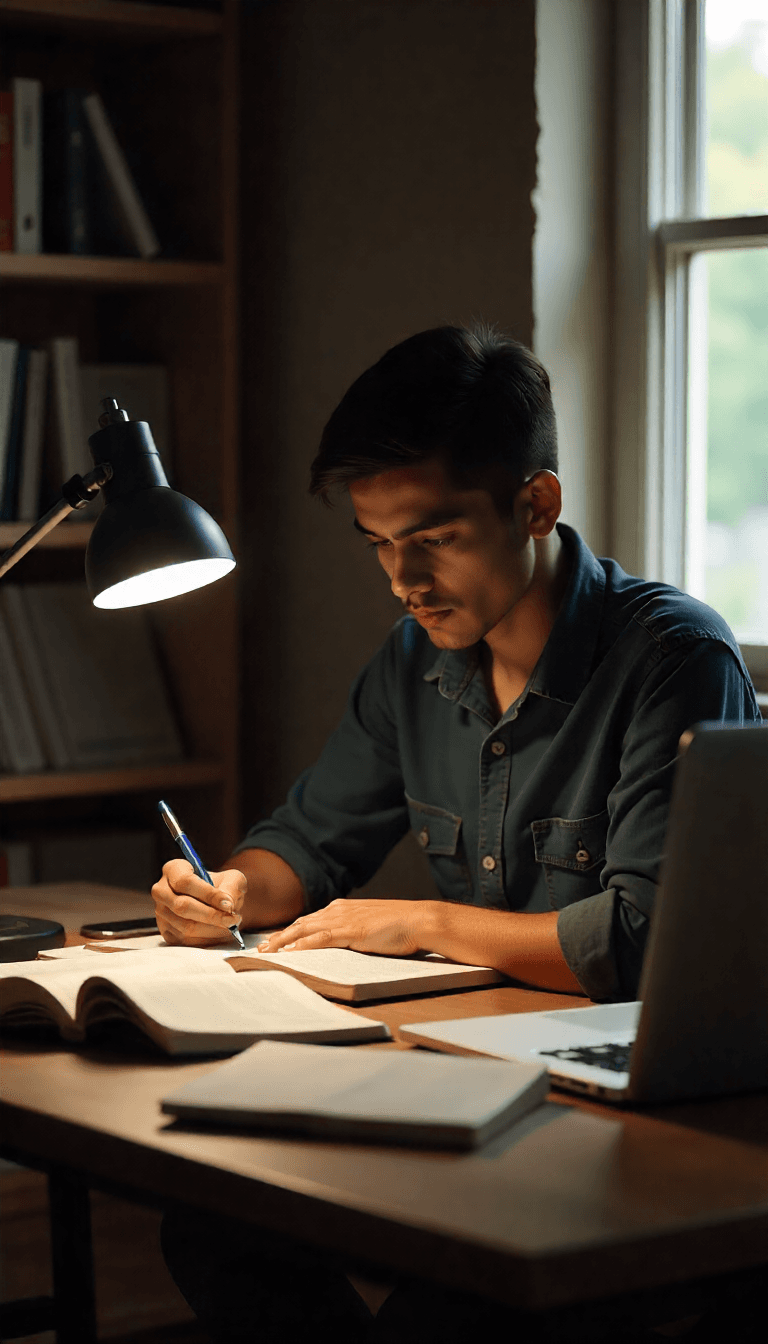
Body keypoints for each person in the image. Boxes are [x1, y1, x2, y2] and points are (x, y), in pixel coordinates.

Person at [154, 325, 760, 1343]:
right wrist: (230, 892)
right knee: (214, 1224)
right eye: (379, 544)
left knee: (453, 1307)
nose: (402, 578)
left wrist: (425, 922)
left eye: (432, 539)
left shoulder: (673, 658)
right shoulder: (414, 661)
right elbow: (307, 842)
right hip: (476, 1075)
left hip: (633, 1115)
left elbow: (643, 939)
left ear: (536, 505)